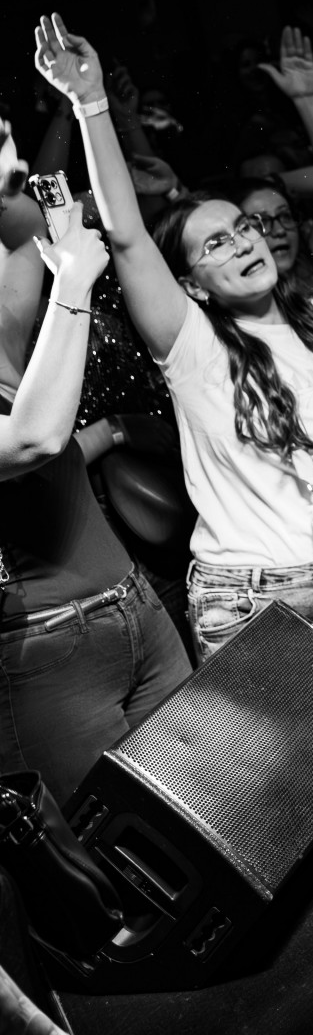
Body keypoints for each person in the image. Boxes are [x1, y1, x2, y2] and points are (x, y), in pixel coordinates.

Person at [32, 14, 313, 711]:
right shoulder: (192, 344)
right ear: (191, 284)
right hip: (256, 604)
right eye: (215, 244)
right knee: (293, 781)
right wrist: (91, 103)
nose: (243, 242)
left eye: (242, 227)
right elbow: (128, 237)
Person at [1, 199, 190, 806]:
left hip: (136, 607)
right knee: (106, 840)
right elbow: (34, 439)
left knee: (204, 805)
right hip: (46, 652)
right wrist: (74, 283)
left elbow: (23, 226)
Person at [234, 27, 313, 299]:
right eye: (260, 222)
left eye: (284, 216)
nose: (279, 231)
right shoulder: (232, 304)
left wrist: (307, 99)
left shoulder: (312, 274)